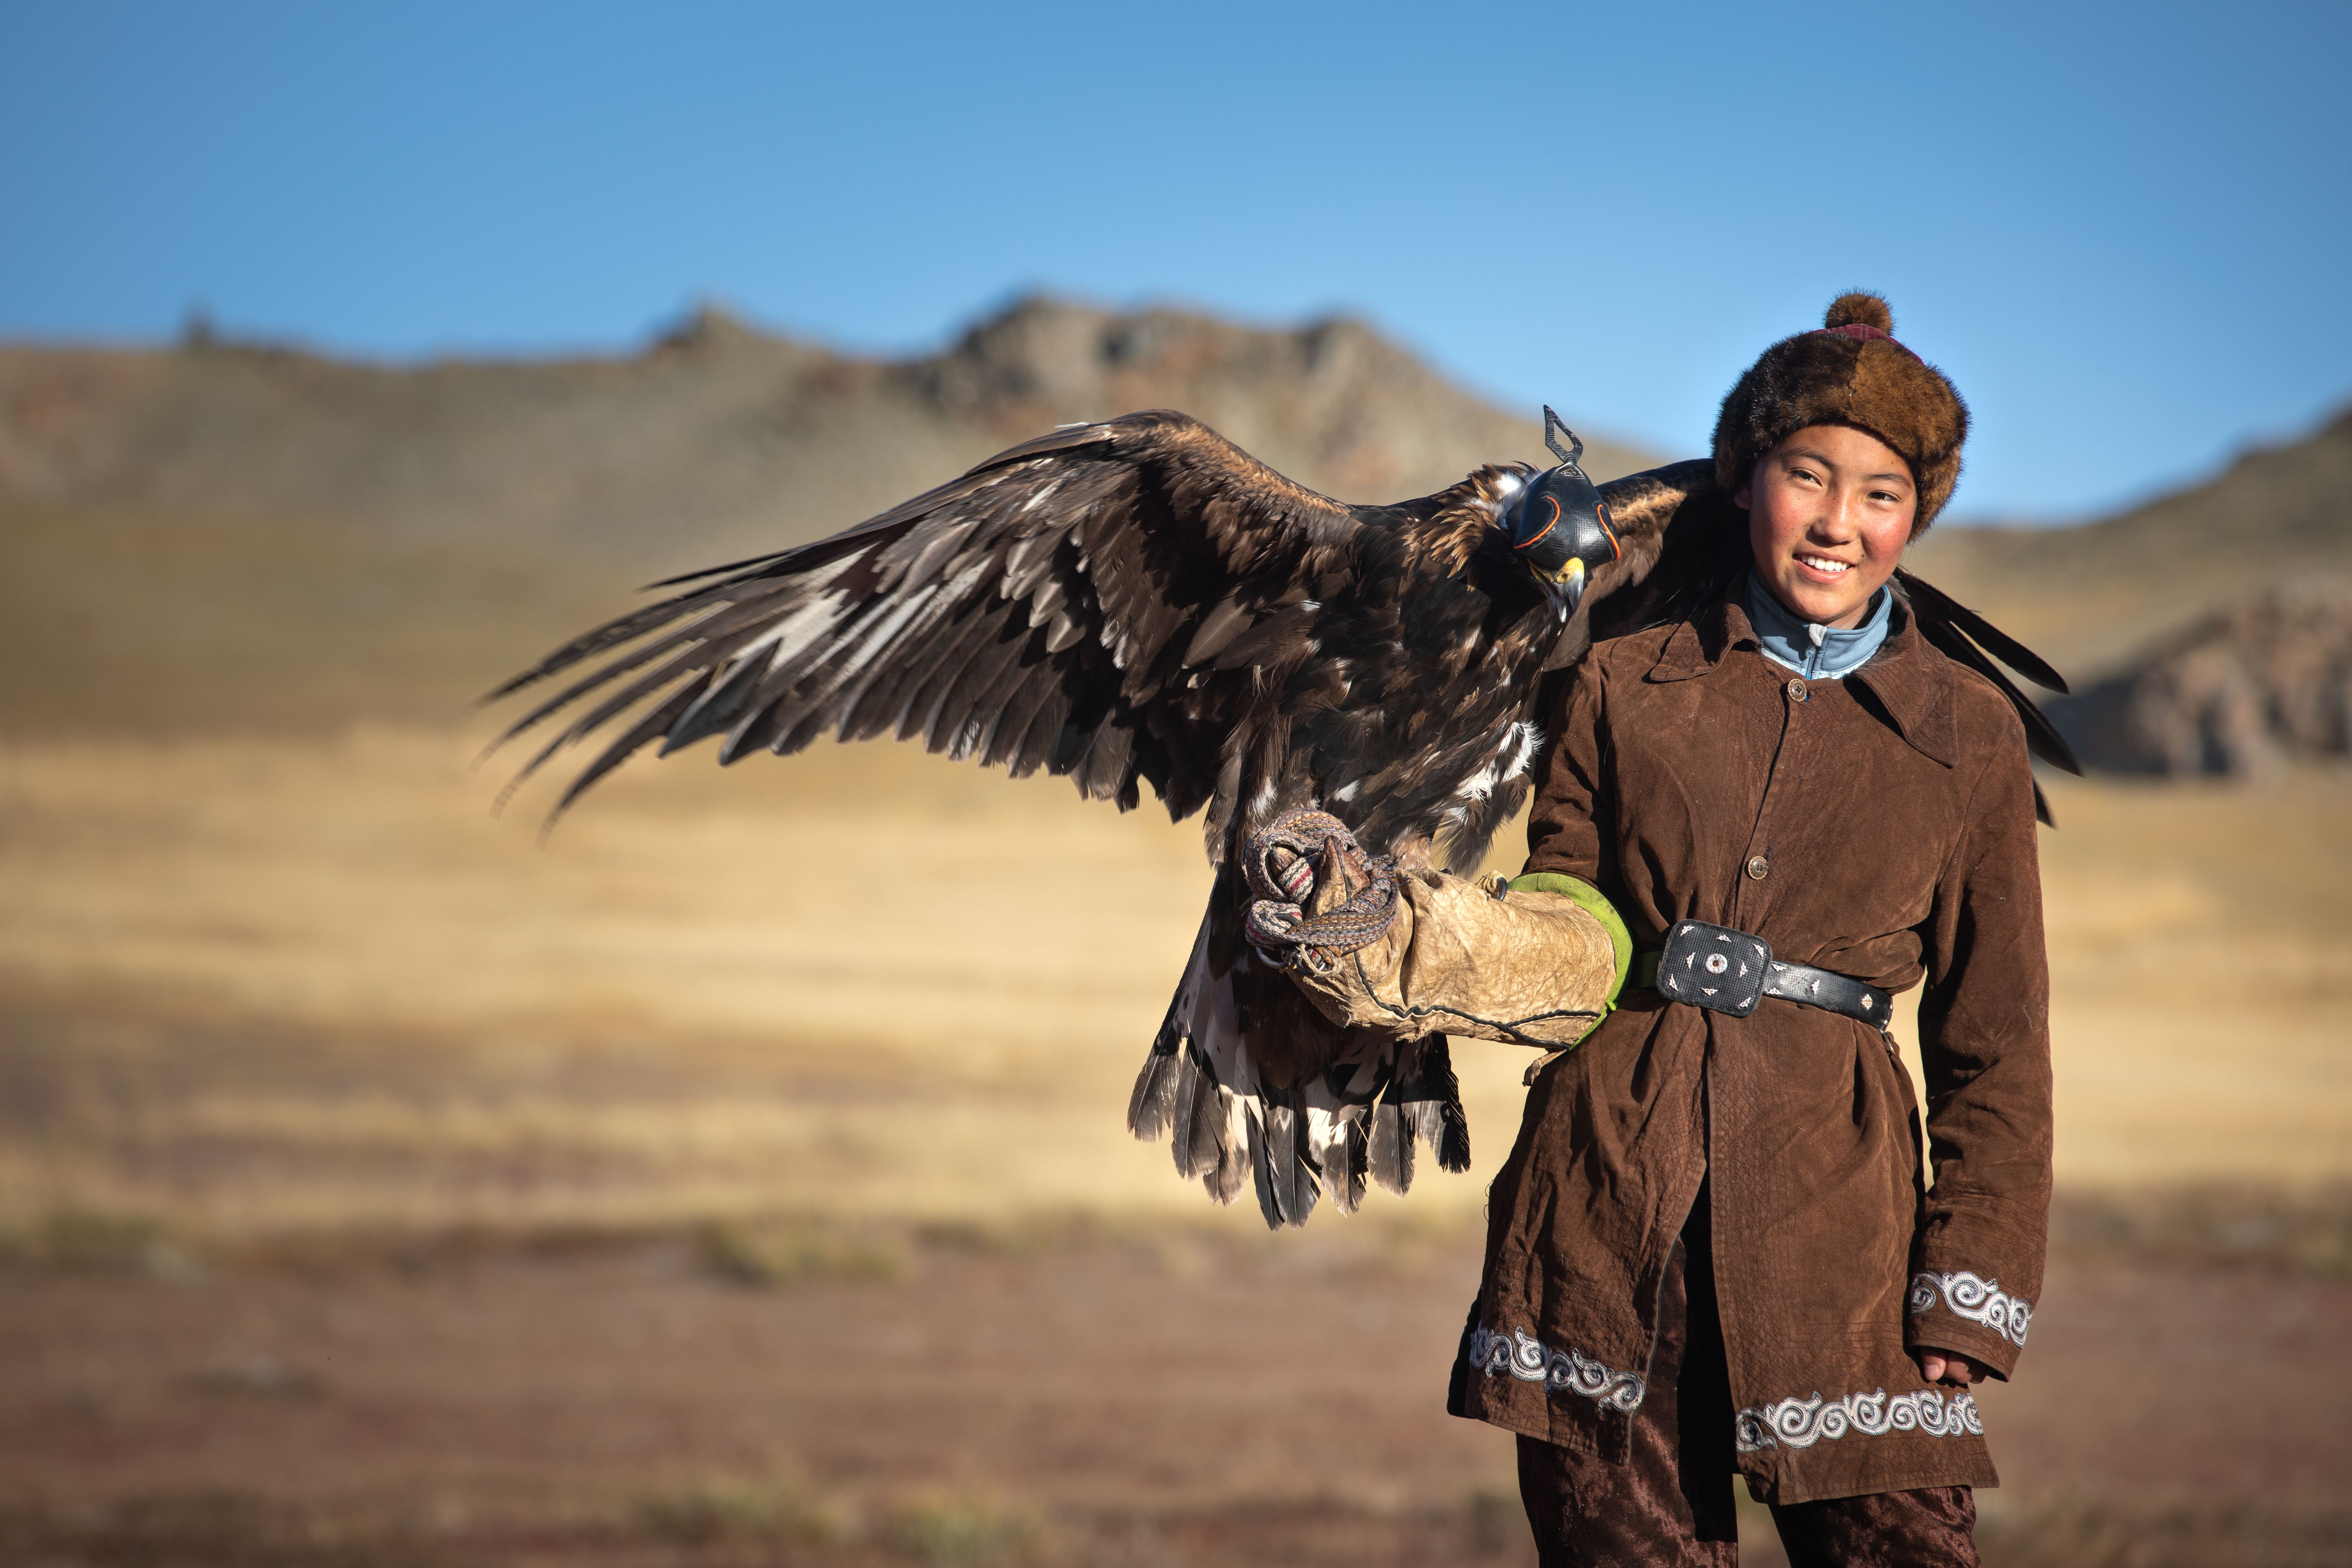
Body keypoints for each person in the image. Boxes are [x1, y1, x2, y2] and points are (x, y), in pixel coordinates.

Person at [1270, 293, 2051, 1566]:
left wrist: (1969, 1279)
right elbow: (1570, 905)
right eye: (1808, 476)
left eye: (1882, 495)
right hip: (1608, 1197)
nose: (1840, 523)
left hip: (1843, 1221)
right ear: (1747, 480)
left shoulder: (1970, 732)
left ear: (1918, 516)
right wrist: (1420, 936)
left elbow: (1999, 1037)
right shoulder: (1621, 680)